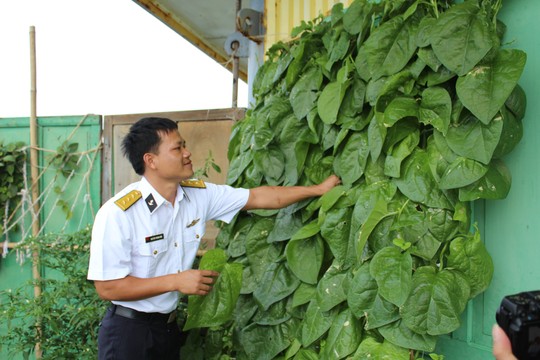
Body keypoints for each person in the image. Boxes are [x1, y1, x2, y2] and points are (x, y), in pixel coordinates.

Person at [87, 117, 341, 360]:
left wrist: (317, 190)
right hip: (129, 332)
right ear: (151, 160)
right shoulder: (120, 213)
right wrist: (176, 281)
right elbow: (107, 287)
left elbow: (260, 198)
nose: (187, 152)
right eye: (177, 148)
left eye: (184, 145)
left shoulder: (198, 195)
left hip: (169, 329)